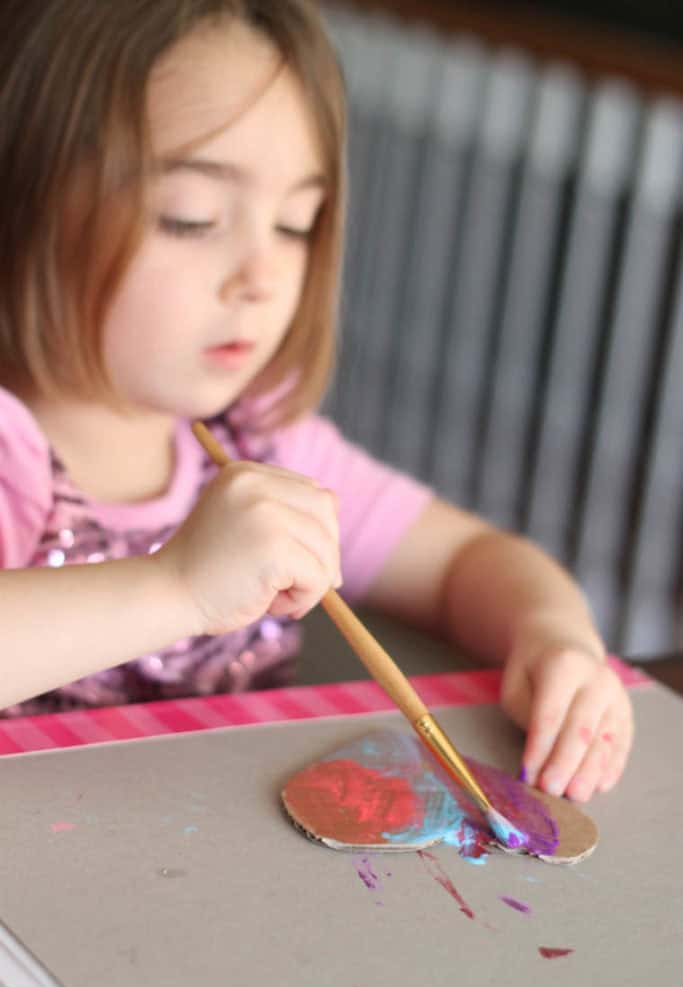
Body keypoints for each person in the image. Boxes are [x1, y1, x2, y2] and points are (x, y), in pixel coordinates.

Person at [0, 0, 632, 802]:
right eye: (191, 219)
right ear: (21, 201)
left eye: (296, 225)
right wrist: (175, 588)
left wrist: (553, 634)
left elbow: (464, 563)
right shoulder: (15, 455)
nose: (261, 278)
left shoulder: (260, 444)